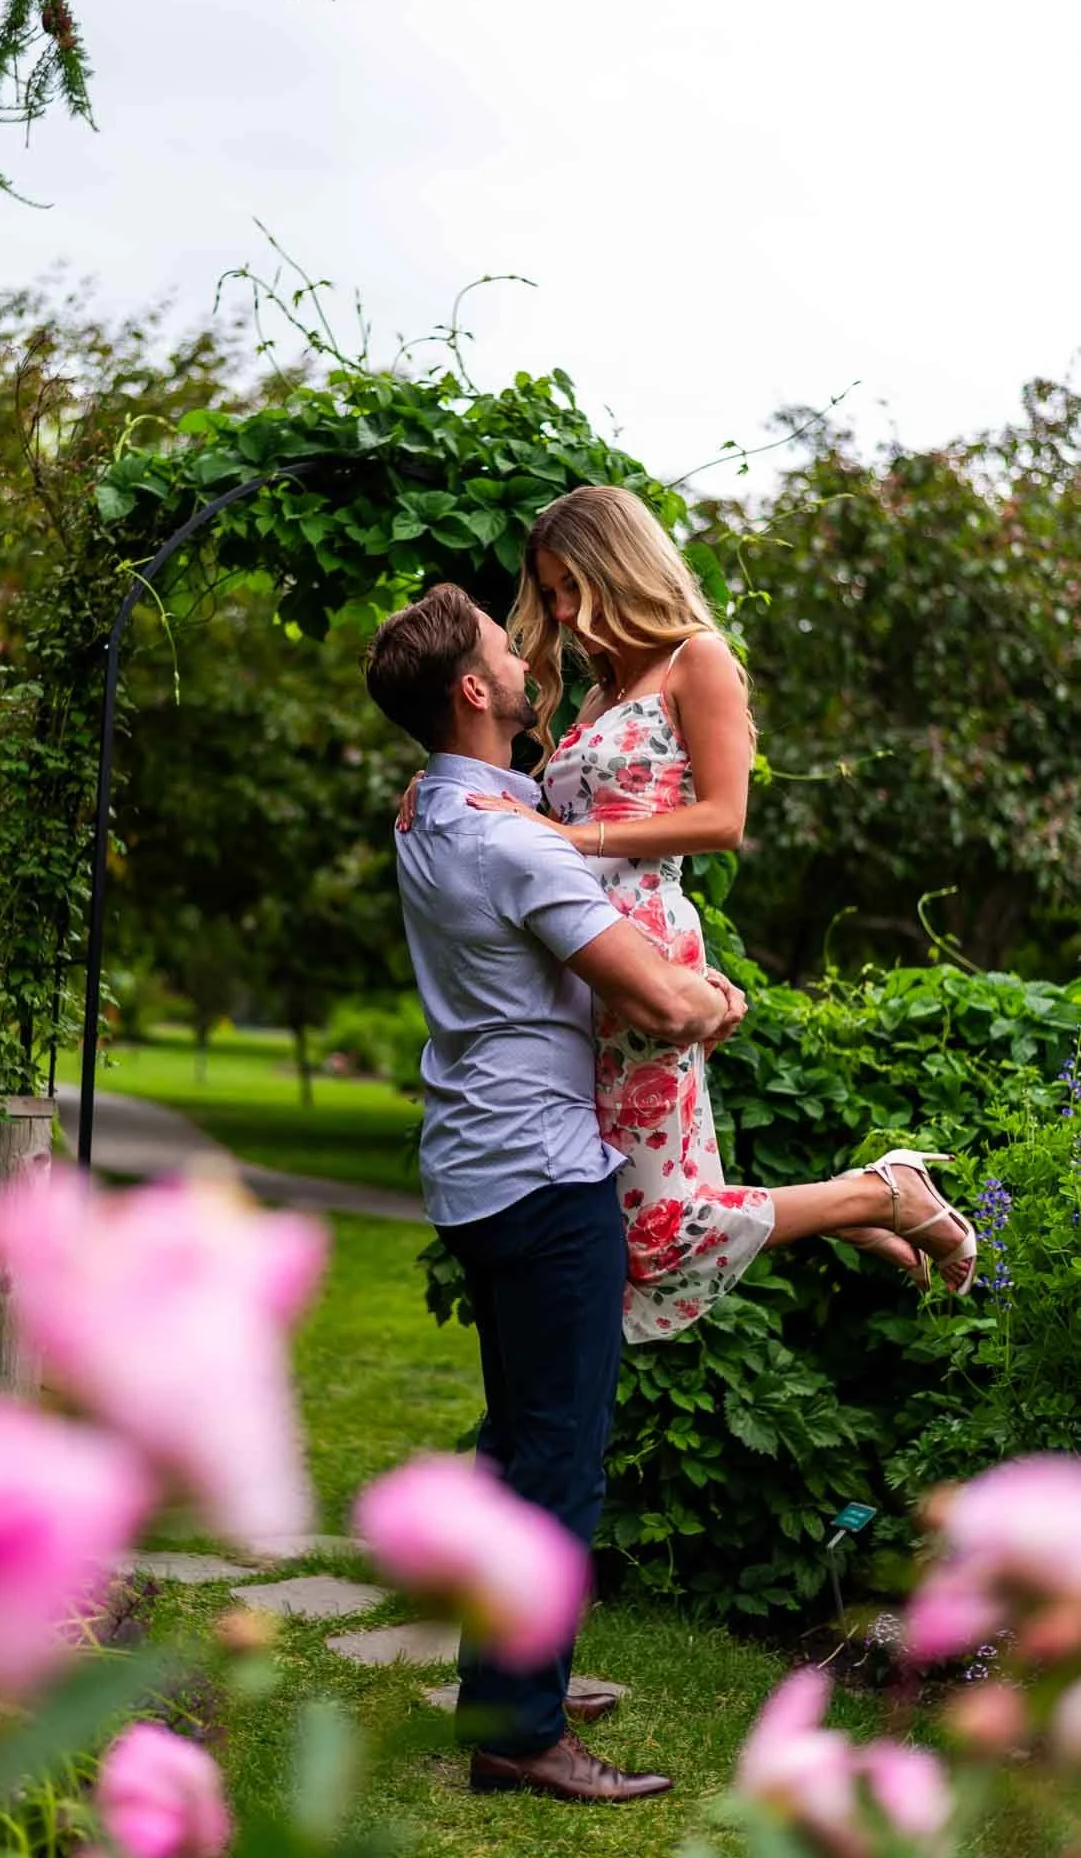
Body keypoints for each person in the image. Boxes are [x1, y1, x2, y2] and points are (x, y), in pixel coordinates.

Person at [400, 486, 978, 1342]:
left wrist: (577, 836)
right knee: (629, 1210)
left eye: (572, 586)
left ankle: (877, 1196)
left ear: (619, 567)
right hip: (582, 958)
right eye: (550, 593)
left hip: (643, 945)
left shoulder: (696, 661)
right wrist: (446, 782)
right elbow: (534, 816)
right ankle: (849, 1208)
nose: (561, 612)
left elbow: (723, 819)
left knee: (654, 1227)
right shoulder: (599, 691)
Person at [364, 581, 743, 1804]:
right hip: (541, 1177)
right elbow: (661, 1001)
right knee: (556, 1461)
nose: (530, 658)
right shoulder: (509, 842)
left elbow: (494, 788)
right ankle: (520, 1733)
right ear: (473, 689)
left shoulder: (436, 808)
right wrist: (715, 1000)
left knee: (515, 1442)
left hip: (475, 1170)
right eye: (505, 649)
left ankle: (508, 1681)